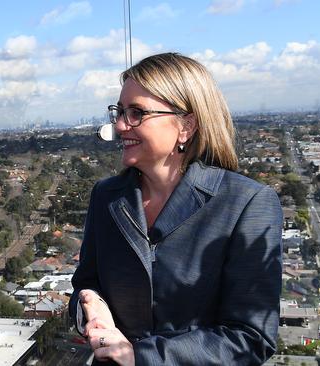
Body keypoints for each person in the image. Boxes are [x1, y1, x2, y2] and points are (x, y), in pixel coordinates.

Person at [70, 53, 282, 365]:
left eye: (137, 113)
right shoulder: (107, 197)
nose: (118, 125)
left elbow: (251, 337)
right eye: (119, 111)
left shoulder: (246, 204)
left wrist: (139, 357)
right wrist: (91, 304)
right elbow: (86, 283)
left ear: (186, 125)